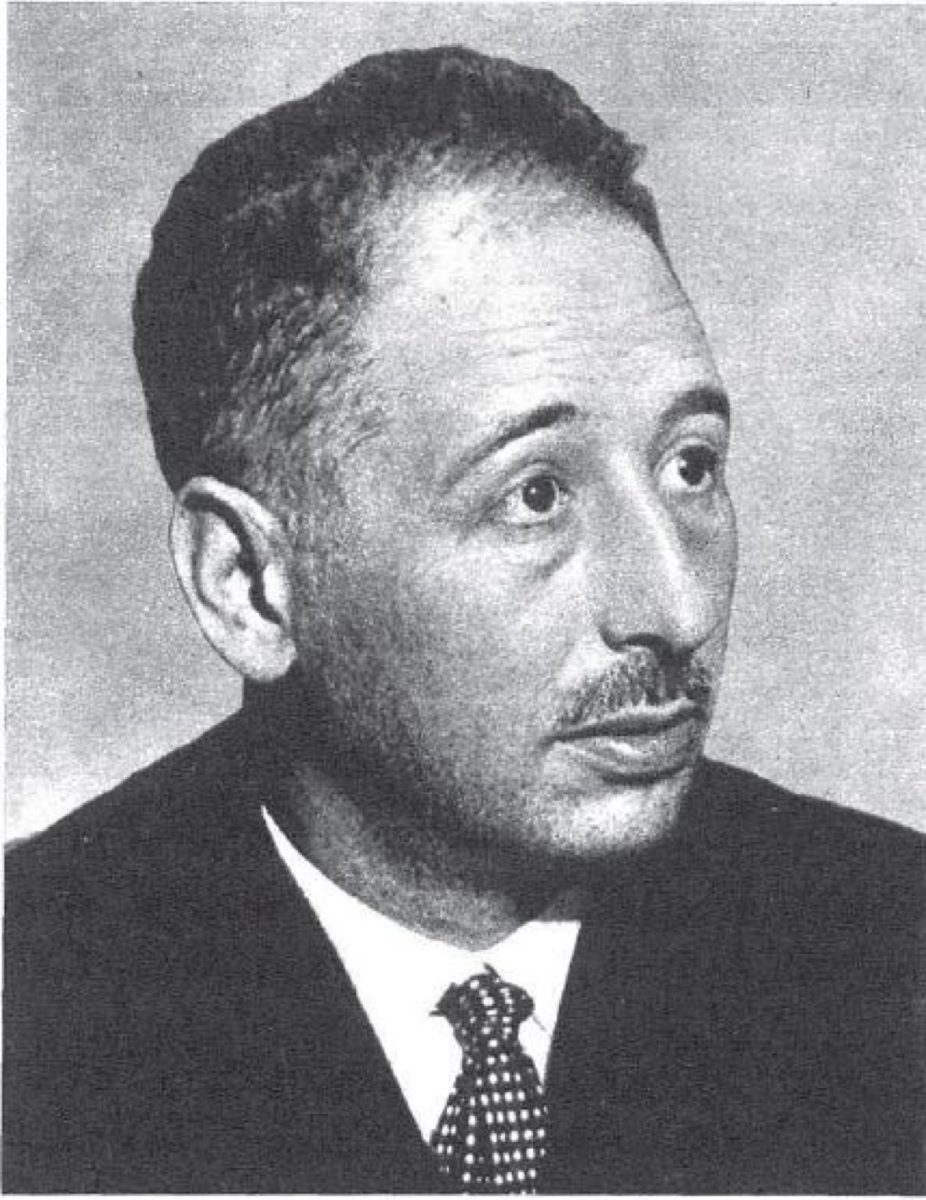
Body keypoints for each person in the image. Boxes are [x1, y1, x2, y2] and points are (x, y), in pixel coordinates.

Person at [4, 46, 922, 1195]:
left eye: (688, 465)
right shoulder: (37, 1000)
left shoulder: (886, 950)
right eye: (533, 495)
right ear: (248, 584)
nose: (675, 608)